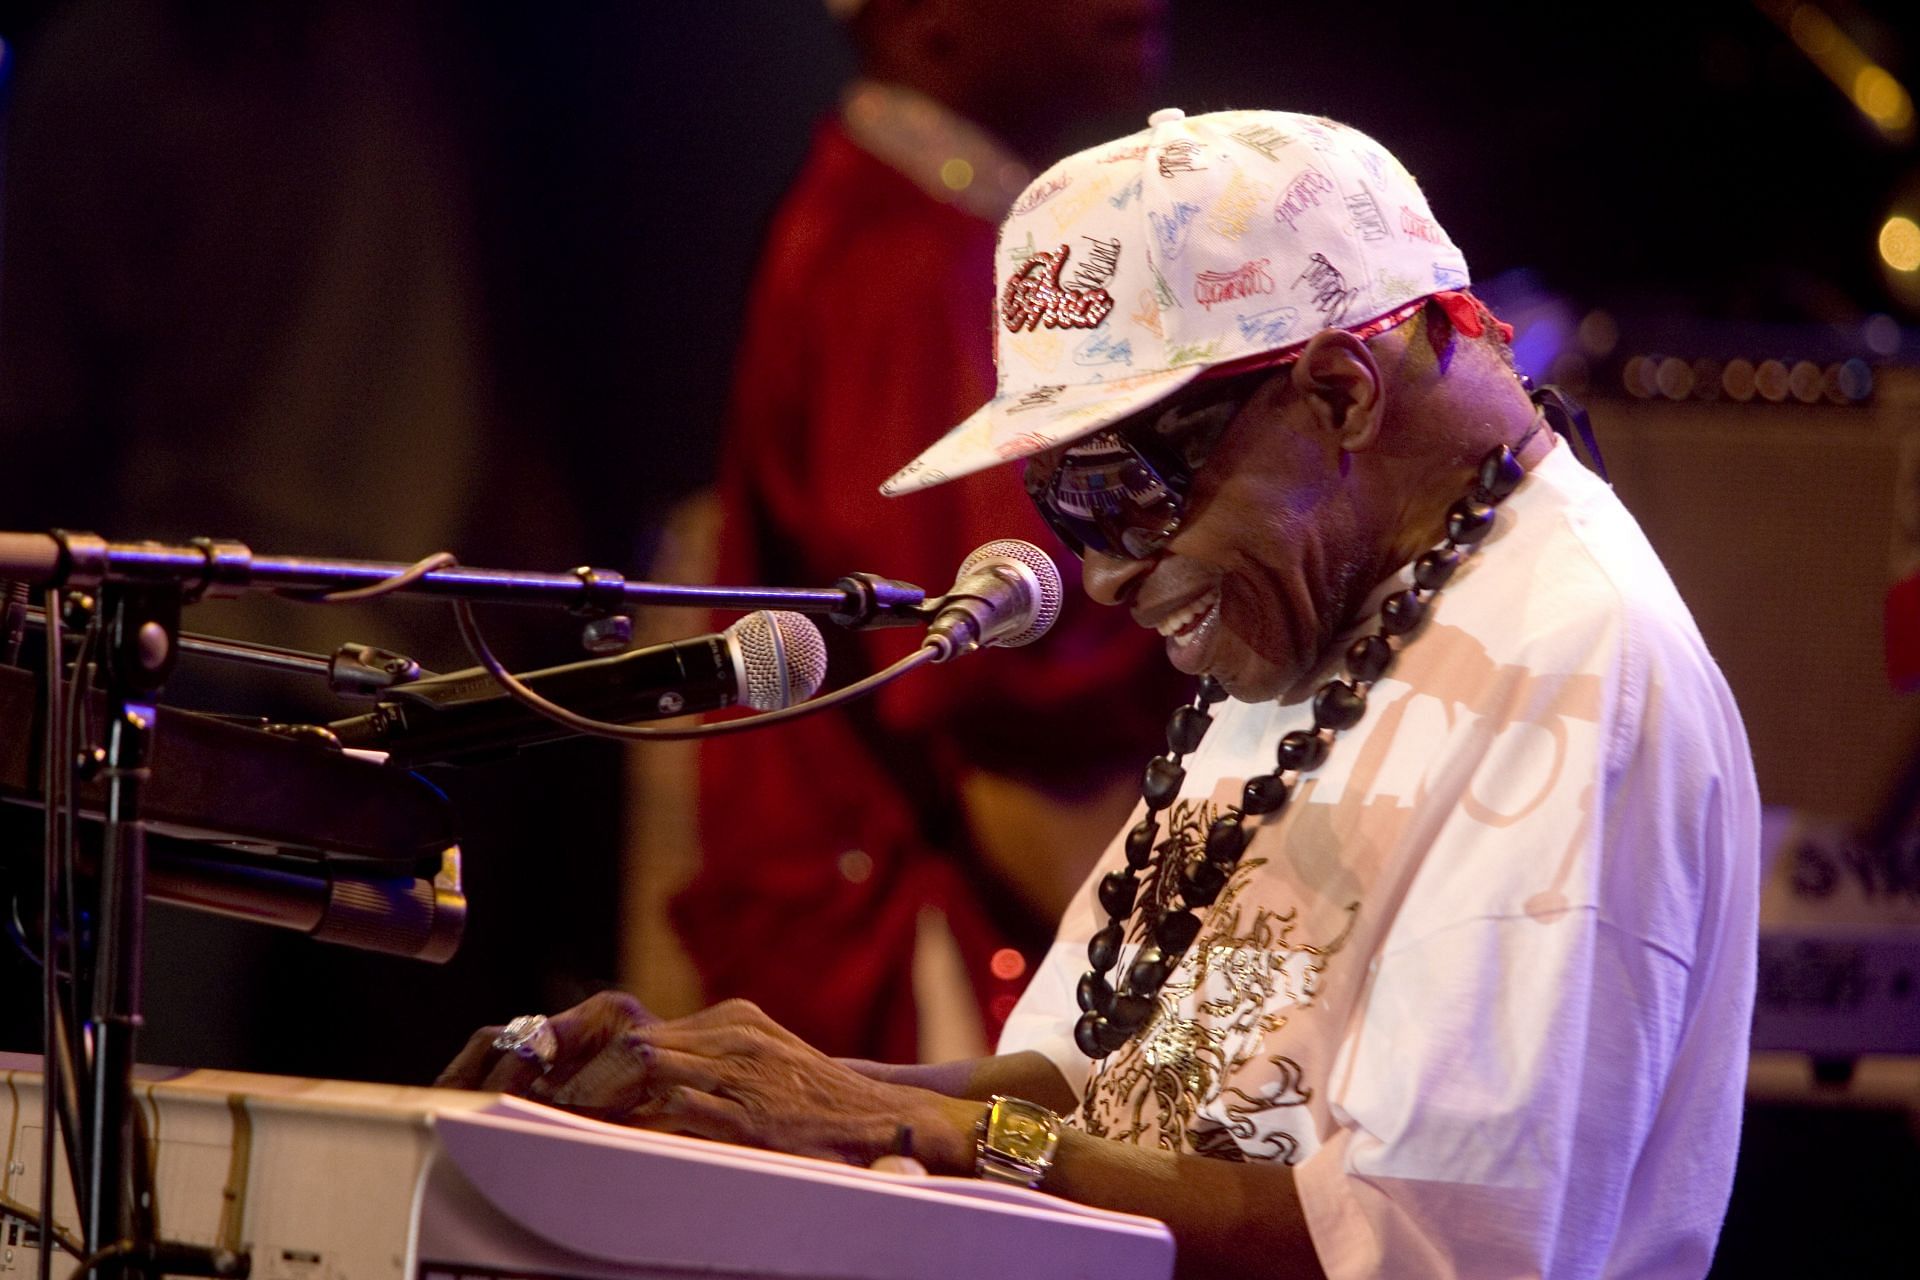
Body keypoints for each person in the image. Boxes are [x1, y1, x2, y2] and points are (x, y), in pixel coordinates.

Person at [446, 108, 1760, 1279]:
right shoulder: (1321, 621)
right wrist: (757, 1093)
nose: (1105, 571)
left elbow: (1426, 1250)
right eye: (1056, 499)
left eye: (1122, 486)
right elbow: (1088, 1093)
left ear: (1341, 394)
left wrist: (915, 1126)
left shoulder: (1568, 675)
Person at [673, 0, 1183, 1062]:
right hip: (912, 913)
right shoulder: (900, 254)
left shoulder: (933, 223)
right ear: (928, 22)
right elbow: (985, 651)